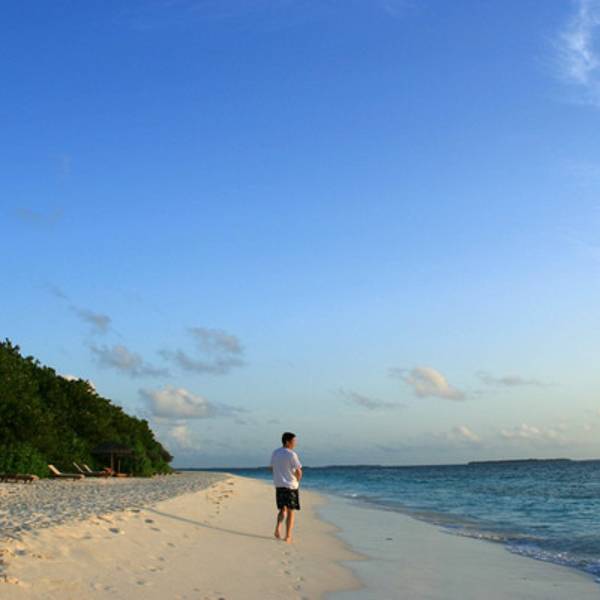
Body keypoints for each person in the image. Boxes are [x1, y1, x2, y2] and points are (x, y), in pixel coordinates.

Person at [270, 432, 302, 543]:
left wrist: (279, 476)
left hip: (279, 485)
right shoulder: (291, 454)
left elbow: (271, 468)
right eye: (294, 441)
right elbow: (299, 471)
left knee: (282, 509)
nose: (295, 443)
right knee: (290, 511)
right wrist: (297, 480)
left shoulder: (275, 452)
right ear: (287, 442)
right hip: (290, 486)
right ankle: (288, 536)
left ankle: (277, 528)